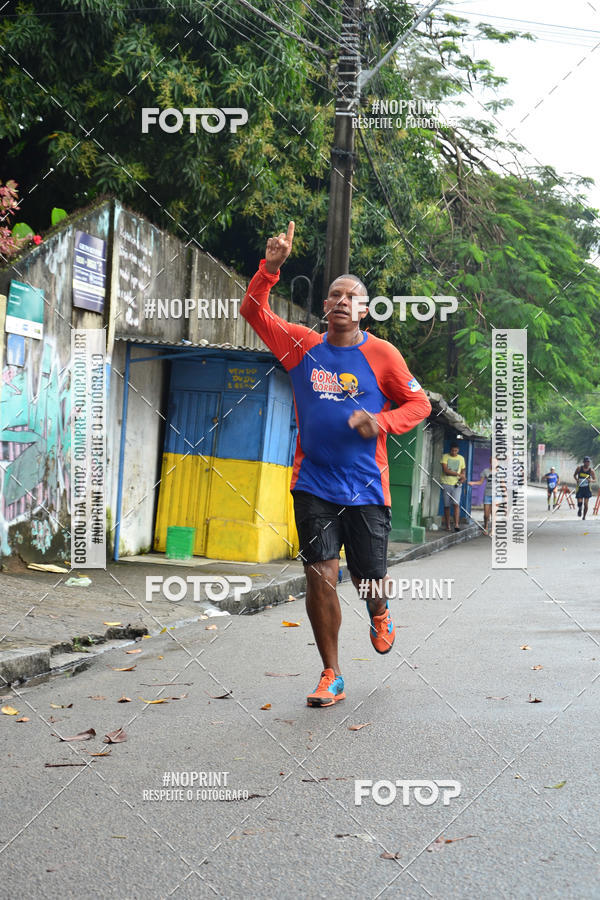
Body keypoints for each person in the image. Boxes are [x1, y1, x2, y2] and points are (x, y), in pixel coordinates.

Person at [241, 221, 431, 708]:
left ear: (364, 309)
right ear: (325, 306)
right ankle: (331, 672)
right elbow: (252, 310)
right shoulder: (301, 345)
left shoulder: (383, 355)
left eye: (352, 296)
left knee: (369, 577)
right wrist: (271, 268)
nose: (342, 300)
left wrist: (382, 422)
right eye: (334, 295)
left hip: (367, 488)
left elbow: (419, 406)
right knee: (320, 573)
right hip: (314, 484)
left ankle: (380, 608)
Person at [440, 443, 466, 532]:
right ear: (450, 450)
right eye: (452, 450)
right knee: (446, 505)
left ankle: (456, 524)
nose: (454, 452)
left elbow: (463, 472)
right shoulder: (445, 457)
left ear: (458, 450)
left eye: (456, 451)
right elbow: (446, 470)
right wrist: (458, 474)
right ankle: (447, 525)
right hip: (446, 483)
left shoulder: (461, 458)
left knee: (456, 504)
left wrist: (462, 478)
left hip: (457, 485)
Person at [468, 457, 495, 535]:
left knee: (493, 513)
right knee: (486, 514)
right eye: (492, 462)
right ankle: (486, 527)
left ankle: (493, 529)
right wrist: (473, 483)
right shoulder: (485, 471)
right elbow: (480, 482)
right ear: (490, 462)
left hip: (496, 495)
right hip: (487, 495)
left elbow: (503, 484)